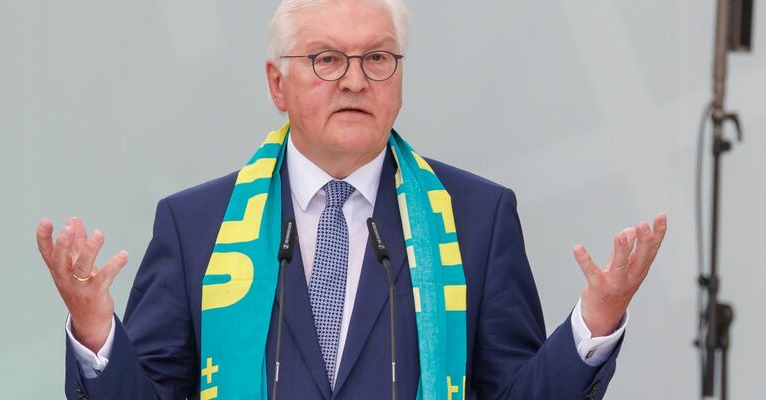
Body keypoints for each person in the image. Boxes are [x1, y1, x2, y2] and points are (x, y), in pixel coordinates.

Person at [35, 0, 668, 399]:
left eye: (378, 58)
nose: (356, 80)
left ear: (401, 77)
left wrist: (596, 319)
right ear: (276, 83)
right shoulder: (195, 225)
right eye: (327, 59)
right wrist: (94, 328)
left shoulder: (478, 218)